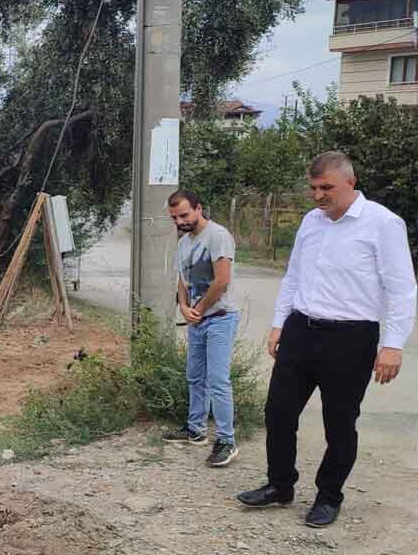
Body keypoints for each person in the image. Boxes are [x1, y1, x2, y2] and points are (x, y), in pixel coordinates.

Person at [237, 151, 416, 528]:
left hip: (351, 338)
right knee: (278, 411)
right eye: (314, 188)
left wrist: (393, 344)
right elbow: (293, 276)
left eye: (327, 188)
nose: (319, 195)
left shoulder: (383, 223)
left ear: (350, 183)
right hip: (302, 329)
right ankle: (280, 485)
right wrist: (278, 323)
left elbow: (402, 290)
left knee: (339, 422)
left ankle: (329, 496)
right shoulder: (311, 222)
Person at [161, 189, 241, 467]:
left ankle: (226, 440)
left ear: (198, 208)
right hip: (196, 319)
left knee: (218, 381)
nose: (179, 221)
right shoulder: (184, 243)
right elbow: (182, 282)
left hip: (219, 318)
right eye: (174, 217)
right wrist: (184, 307)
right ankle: (195, 430)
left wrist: (199, 309)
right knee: (195, 377)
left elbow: (222, 281)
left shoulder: (218, 236)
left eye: (183, 215)